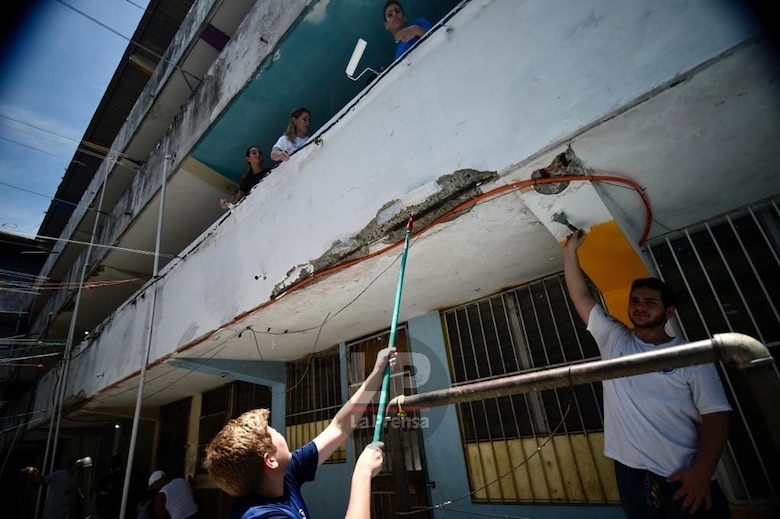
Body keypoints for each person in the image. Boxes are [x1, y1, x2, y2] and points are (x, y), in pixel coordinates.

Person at [562, 230, 732, 518]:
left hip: (682, 476)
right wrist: (570, 252)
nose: (639, 306)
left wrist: (702, 472)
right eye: (635, 300)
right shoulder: (614, 338)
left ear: (669, 312)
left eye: (650, 302)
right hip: (632, 474)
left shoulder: (691, 356)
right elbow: (580, 295)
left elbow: (716, 416)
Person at [203, 346, 398, 518]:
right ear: (270, 460)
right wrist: (362, 474)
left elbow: (339, 427)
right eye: (274, 432)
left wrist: (377, 374)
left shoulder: (280, 475)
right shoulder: (263, 515)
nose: (280, 434)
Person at [95, 454, 123, 519]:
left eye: (115, 463)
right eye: (112, 462)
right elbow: (100, 492)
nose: (112, 465)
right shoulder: (107, 477)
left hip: (113, 509)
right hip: (104, 508)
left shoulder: (120, 477)